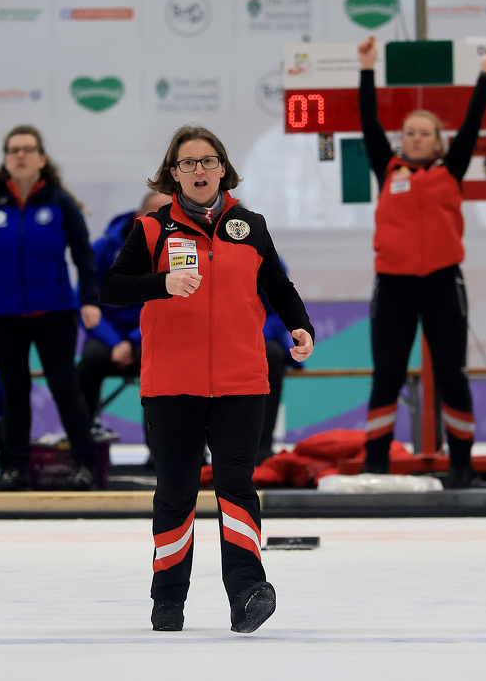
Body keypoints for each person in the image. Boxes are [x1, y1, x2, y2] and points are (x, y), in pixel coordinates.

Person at [99, 125, 314, 634]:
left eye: (208, 161)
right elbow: (111, 288)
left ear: (223, 168)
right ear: (172, 173)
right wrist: (163, 283)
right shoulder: (152, 230)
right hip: (172, 384)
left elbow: (278, 287)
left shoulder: (251, 225)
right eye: (188, 162)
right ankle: (168, 600)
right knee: (176, 492)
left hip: (241, 381)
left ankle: (246, 591)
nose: (199, 170)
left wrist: (298, 324)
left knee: (237, 486)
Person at [356, 36, 486, 487]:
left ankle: (461, 462)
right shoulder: (387, 168)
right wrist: (367, 69)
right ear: (401, 140)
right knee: (387, 375)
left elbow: (475, 123)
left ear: (439, 142)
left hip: (443, 283)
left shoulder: (450, 169)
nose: (416, 137)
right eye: (410, 132)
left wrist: (485, 76)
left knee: (452, 374)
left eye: (425, 132)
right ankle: (376, 462)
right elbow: (368, 121)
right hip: (394, 285)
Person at [0, 125, 99, 491]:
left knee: (65, 388)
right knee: (13, 392)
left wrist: (90, 301)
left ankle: (85, 465)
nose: (21, 155)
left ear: (42, 159)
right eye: (14, 150)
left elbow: (83, 254)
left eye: (28, 149)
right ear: (5, 160)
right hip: (3, 314)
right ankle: (14, 469)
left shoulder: (60, 203)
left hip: (55, 312)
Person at [76, 192, 170, 436]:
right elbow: (86, 300)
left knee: (159, 362)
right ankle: (83, 440)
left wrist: (131, 341)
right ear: (139, 217)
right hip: (107, 333)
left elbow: (173, 306)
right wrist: (115, 342)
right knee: (91, 358)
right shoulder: (103, 247)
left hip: (151, 334)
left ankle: (159, 447)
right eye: (157, 213)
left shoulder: (179, 250)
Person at [256, 257, 304, 466]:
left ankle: (262, 448)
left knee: (272, 355)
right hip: (213, 334)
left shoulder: (263, 254)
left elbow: (279, 308)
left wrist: (252, 333)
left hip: (257, 335)